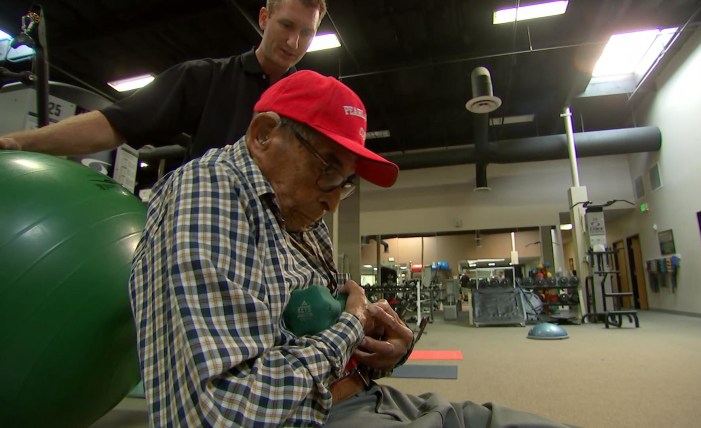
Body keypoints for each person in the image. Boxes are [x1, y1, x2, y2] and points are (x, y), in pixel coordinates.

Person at [129, 70, 570, 427]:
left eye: (347, 182)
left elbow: (325, 315)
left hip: (366, 398)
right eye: (327, 169)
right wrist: (351, 323)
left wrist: (380, 350)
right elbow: (229, 410)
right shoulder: (210, 192)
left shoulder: (300, 215)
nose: (335, 199)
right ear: (264, 135)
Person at [0, 0, 325, 163]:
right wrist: (18, 143)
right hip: (207, 246)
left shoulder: (308, 104)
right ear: (264, 19)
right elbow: (115, 122)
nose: (294, 43)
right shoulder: (205, 78)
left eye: (307, 32)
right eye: (286, 26)